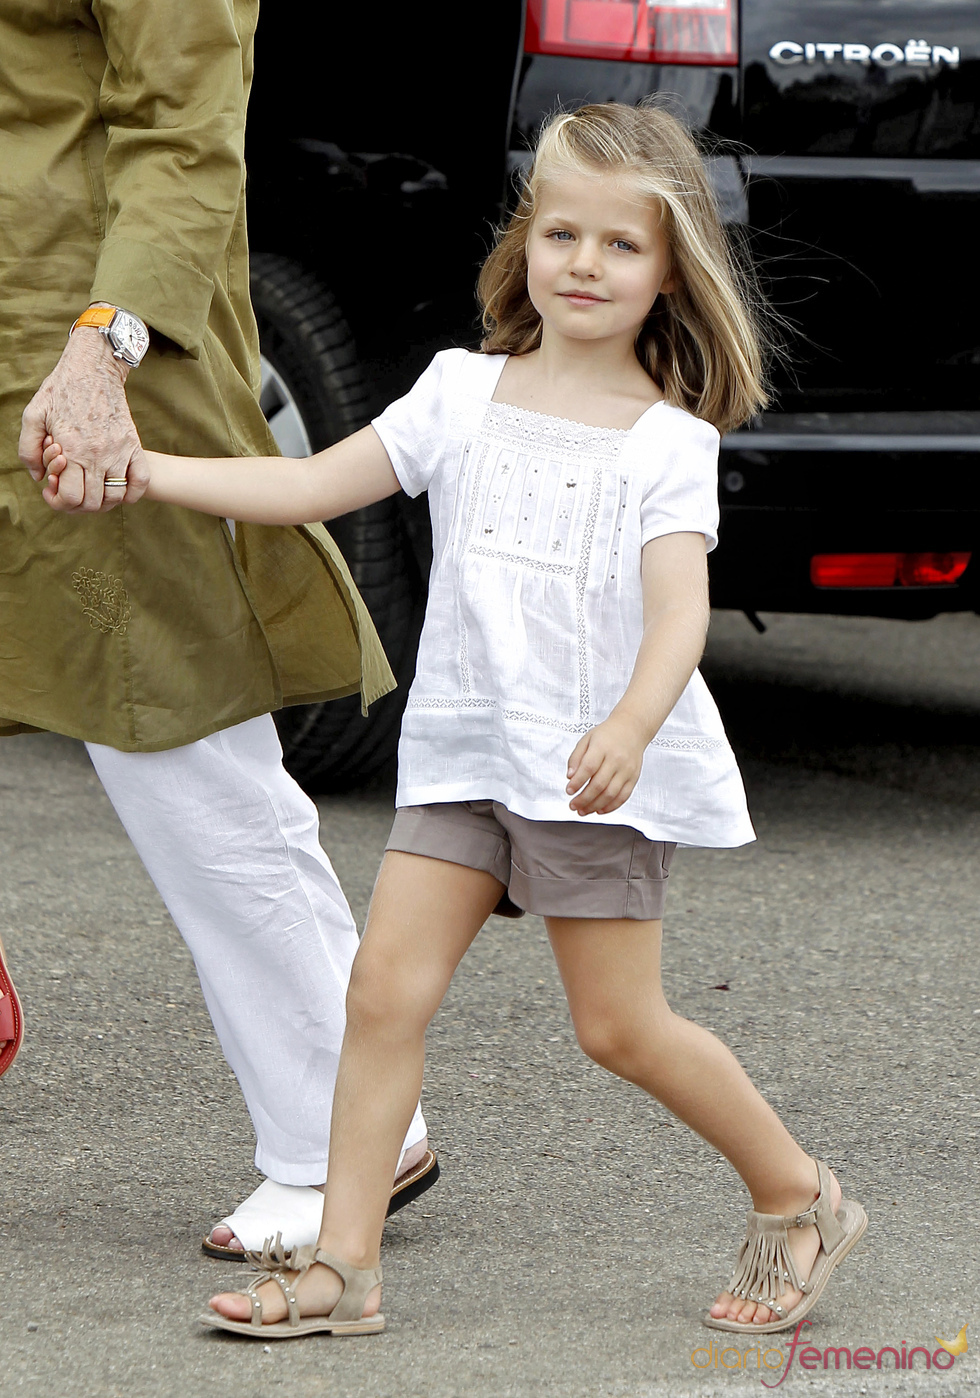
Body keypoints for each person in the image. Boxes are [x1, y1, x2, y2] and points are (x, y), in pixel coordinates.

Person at [42, 101, 867, 1338]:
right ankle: (341, 1271)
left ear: (671, 269)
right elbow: (312, 483)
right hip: (464, 758)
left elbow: (677, 615)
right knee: (380, 997)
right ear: (524, 242)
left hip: (590, 768)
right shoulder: (458, 391)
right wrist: (145, 473)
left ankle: (799, 1196)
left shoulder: (663, 444)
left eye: (620, 247)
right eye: (560, 233)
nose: (582, 265)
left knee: (618, 1028)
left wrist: (633, 728)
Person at [2, 0, 436, 1253]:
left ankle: (341, 1130)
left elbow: (186, 130)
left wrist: (102, 352)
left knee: (177, 737)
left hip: (91, 360)